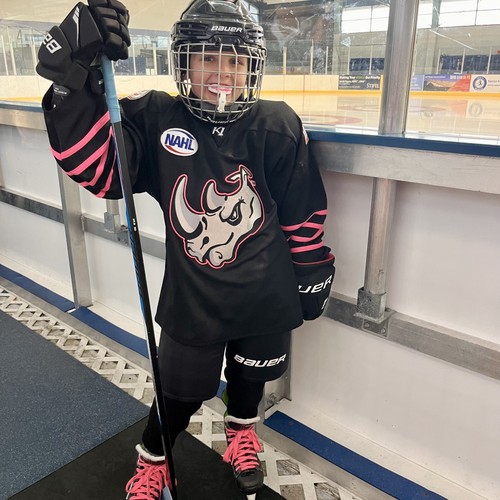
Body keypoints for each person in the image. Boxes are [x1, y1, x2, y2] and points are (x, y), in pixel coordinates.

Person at [36, 0, 335, 499]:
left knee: (250, 378)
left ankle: (241, 433)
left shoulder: (278, 123)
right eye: (207, 58)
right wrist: (75, 77)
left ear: (252, 67)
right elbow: (101, 171)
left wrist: (311, 268)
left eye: (235, 60)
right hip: (194, 297)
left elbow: (302, 209)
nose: (222, 73)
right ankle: (154, 458)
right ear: (185, 63)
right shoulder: (156, 116)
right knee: (178, 393)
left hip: (265, 291)